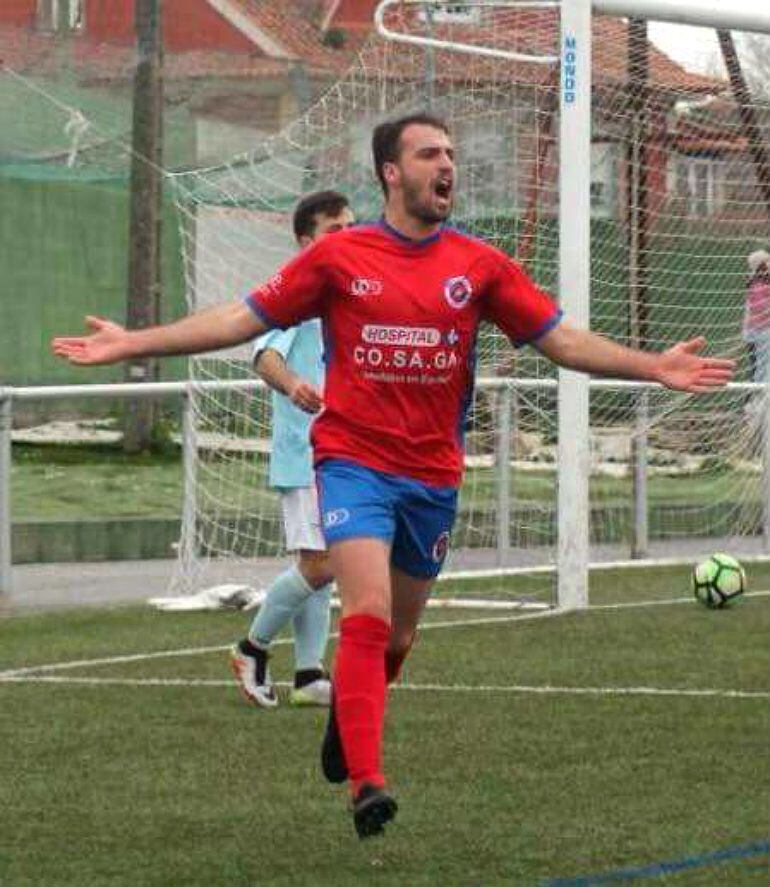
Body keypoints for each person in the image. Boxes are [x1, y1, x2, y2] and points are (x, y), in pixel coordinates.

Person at [52, 112, 734, 840]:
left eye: (451, 152)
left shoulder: (478, 266)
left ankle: (351, 716)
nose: (448, 165)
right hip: (352, 463)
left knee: (399, 638)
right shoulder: (339, 258)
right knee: (367, 609)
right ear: (391, 171)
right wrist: (137, 342)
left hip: (432, 475)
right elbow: (239, 319)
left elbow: (559, 338)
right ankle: (367, 783)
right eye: (430, 153)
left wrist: (650, 365)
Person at [230, 190, 355, 709]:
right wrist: (293, 386)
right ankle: (251, 647)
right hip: (305, 452)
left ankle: (308, 675)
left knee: (323, 563)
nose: (347, 237)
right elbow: (263, 355)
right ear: (307, 242)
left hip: (341, 450)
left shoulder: (345, 292)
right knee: (323, 562)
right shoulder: (296, 291)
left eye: (352, 227)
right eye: (335, 230)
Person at [742, 249, 770, 385]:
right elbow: (762, 308)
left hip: (762, 330)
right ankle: (757, 398)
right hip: (760, 332)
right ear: (761, 265)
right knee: (762, 367)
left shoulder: (765, 283)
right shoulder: (757, 286)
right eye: (768, 261)